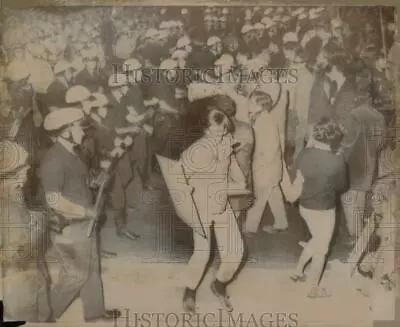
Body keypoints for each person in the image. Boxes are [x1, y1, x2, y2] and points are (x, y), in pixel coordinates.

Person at [39, 107, 121, 322]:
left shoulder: (72, 153)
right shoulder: (54, 160)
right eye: (78, 127)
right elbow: (53, 200)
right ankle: (45, 313)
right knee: (76, 275)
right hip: (69, 226)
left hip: (84, 222)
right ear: (65, 130)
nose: (83, 132)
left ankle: (94, 312)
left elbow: (78, 183)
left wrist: (96, 181)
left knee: (92, 266)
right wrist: (85, 211)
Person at [181, 95, 245, 313]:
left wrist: (240, 179)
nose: (221, 135)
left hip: (221, 206)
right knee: (202, 254)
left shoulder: (226, 140)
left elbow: (230, 163)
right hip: (201, 206)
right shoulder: (197, 150)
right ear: (206, 129)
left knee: (236, 252)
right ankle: (189, 292)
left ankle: (219, 285)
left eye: (224, 131)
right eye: (216, 131)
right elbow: (181, 176)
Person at [287, 117, 347, 298]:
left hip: (305, 207)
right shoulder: (336, 161)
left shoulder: (305, 153)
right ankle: (314, 288)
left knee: (317, 240)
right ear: (335, 138)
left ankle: (297, 271)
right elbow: (341, 186)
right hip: (324, 209)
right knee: (322, 248)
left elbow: (296, 174)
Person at [0, 140, 51, 322]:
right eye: (24, 164)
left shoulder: (14, 192)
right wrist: (39, 226)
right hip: (20, 283)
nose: (28, 167)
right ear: (13, 172)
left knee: (42, 312)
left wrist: (33, 216)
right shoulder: (8, 208)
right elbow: (15, 255)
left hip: (31, 272)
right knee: (30, 316)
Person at [340, 64, 386, 245]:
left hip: (354, 164)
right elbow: (381, 143)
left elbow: (347, 141)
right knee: (359, 199)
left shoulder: (354, 115)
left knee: (348, 199)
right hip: (370, 164)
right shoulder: (379, 116)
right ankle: (359, 234)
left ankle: (354, 235)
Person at [244, 91, 289, 234]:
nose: (248, 105)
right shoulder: (260, 118)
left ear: (261, 106)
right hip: (270, 167)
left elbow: (272, 148)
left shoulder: (266, 122)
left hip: (266, 167)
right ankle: (281, 223)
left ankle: (250, 227)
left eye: (252, 103)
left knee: (259, 196)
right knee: (274, 195)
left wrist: (260, 167)